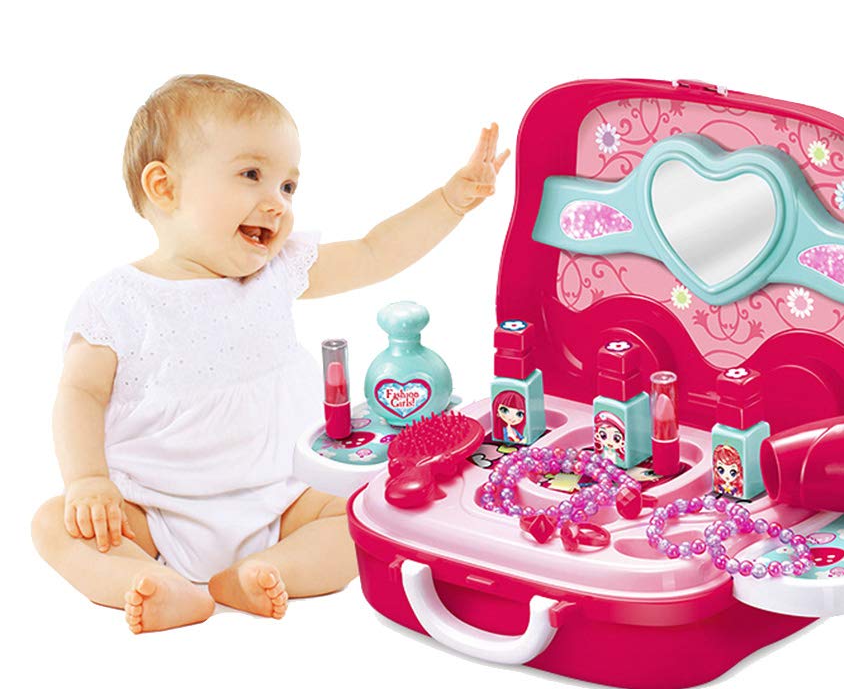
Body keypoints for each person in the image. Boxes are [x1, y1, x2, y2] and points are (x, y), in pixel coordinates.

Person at [31, 74, 509, 633]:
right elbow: (80, 394)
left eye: (288, 186)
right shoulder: (119, 300)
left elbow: (374, 251)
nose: (277, 203)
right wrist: (88, 480)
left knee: (364, 515)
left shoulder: (275, 274)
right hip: (153, 507)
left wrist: (450, 202)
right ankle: (146, 581)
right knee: (54, 523)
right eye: (251, 175)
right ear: (164, 187)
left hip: (283, 500)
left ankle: (264, 571)